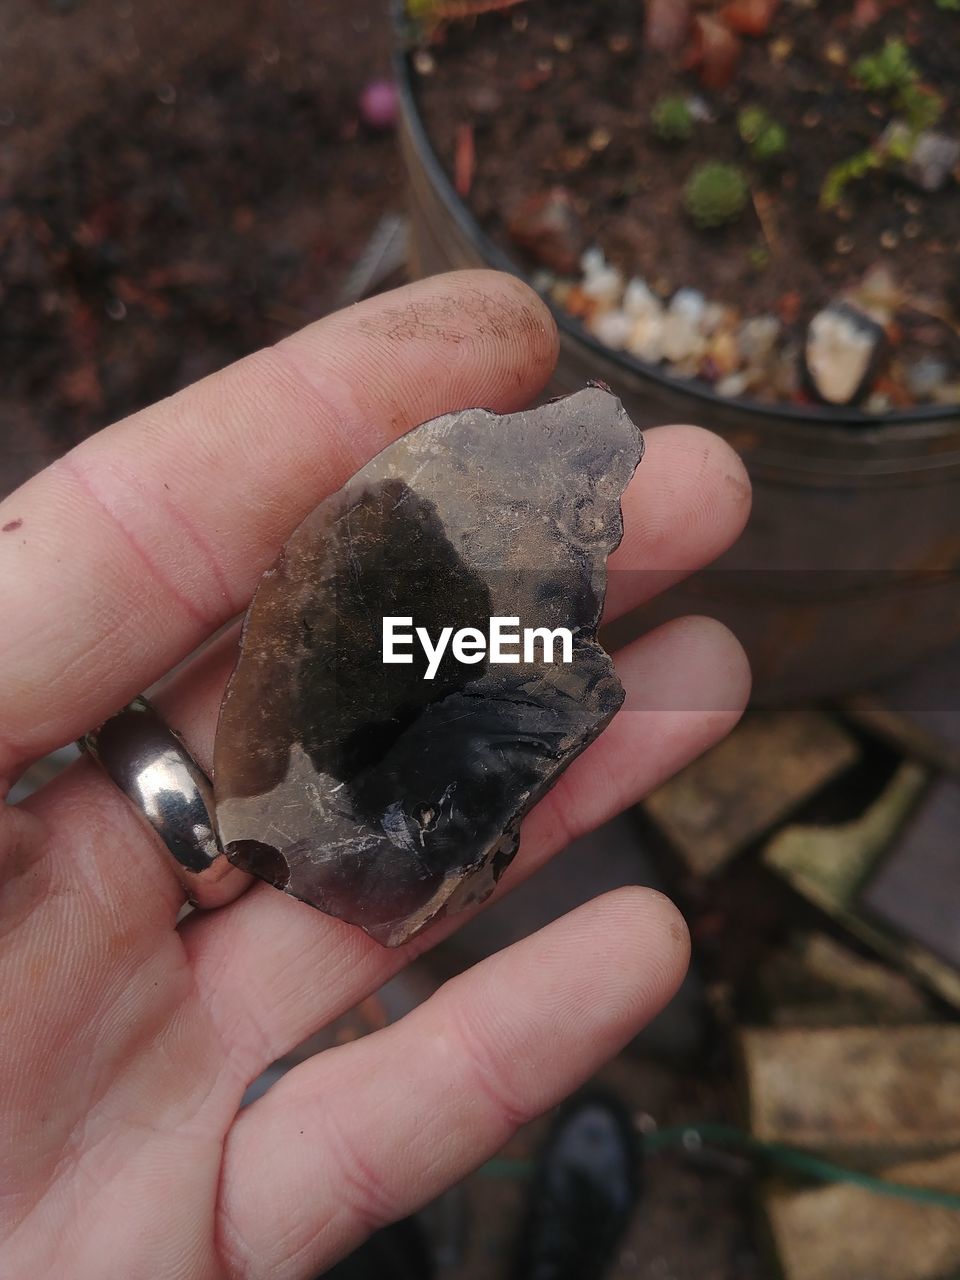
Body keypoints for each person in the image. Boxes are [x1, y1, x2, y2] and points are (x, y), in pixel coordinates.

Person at [0, 270, 751, 1279]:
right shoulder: (438, 576)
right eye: (586, 514)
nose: (594, 527)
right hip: (343, 794)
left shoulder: (498, 611)